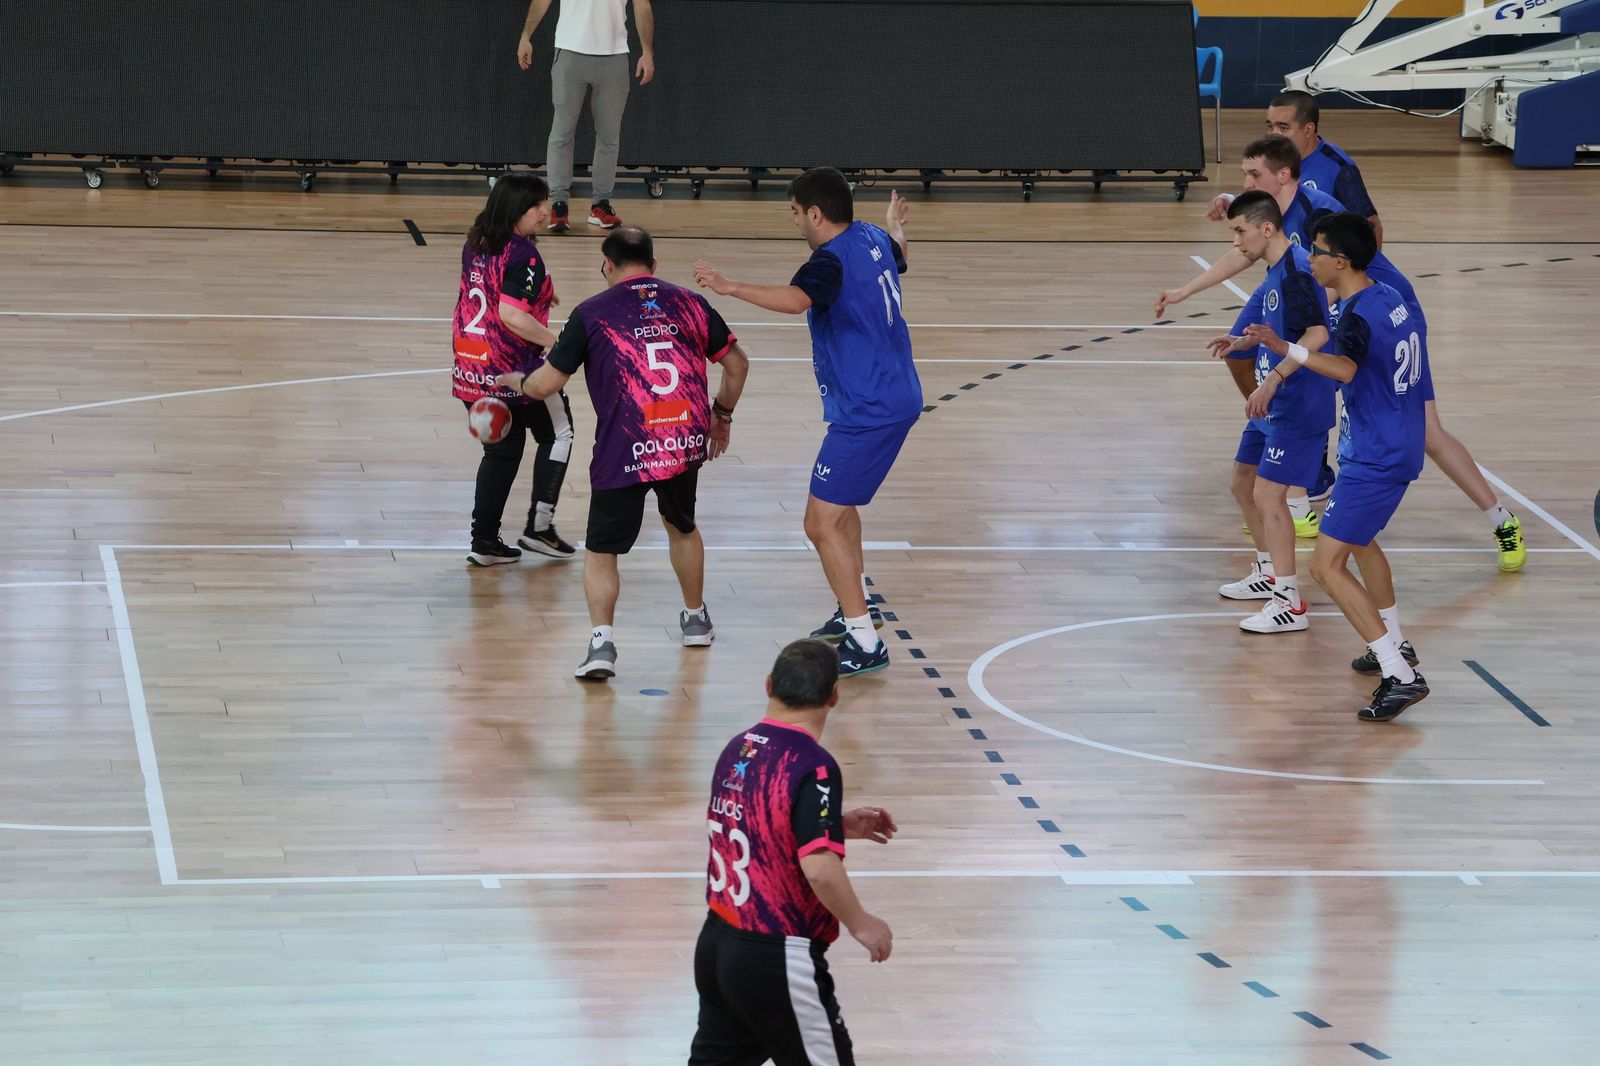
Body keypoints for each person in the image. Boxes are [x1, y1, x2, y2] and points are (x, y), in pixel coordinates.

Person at [1161, 135, 1526, 572]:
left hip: (1372, 312)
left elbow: (1347, 274)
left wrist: (1316, 332)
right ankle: (1290, 484)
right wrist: (1185, 291)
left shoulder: (1322, 214)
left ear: (1282, 175)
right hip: (1308, 297)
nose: (1245, 182)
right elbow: (1244, 249)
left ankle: (1500, 518)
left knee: (1424, 430)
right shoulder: (1270, 221)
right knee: (1244, 354)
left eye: (1253, 174)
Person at [692, 170, 923, 678]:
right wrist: (893, 224)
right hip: (893, 394)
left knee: (819, 523)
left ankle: (864, 642)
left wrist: (728, 286)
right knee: (842, 513)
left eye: (795, 212)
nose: (795, 220)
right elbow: (900, 253)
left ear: (814, 213)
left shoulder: (829, 261)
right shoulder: (873, 237)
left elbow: (796, 301)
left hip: (868, 411)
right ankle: (854, 607)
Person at [495, 227, 749, 679]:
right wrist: (722, 416)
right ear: (652, 263)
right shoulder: (691, 302)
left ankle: (602, 645)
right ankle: (694, 619)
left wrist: (518, 382)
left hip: (625, 447)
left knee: (602, 550)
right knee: (682, 526)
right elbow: (737, 364)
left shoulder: (591, 313)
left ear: (607, 265)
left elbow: (546, 385)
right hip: (681, 442)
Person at [1244, 213, 1430, 722]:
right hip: (1394, 441)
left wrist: (1288, 350)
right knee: (1362, 542)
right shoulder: (1389, 295)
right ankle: (1394, 643)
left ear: (1340, 262)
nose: (1308, 257)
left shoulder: (1356, 318)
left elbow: (1345, 367)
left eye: (1318, 250)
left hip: (1376, 454)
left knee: (1326, 565)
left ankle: (1401, 674)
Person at [689, 638, 897, 1066]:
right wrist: (862, 924)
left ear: (768, 685)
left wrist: (832, 825)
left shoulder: (737, 748)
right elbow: (819, 867)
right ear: (834, 696)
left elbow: (753, 822)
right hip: (774, 953)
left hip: (717, 943)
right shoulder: (813, 764)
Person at [1207, 191, 1333, 633]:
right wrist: (1242, 342)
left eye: (1240, 231)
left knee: (1268, 494)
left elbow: (1318, 333)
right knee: (1243, 483)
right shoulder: (1276, 270)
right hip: (1271, 400)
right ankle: (1267, 573)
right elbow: (1277, 330)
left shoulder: (1298, 272)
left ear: (1266, 228)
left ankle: (1290, 601)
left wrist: (1275, 378)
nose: (1237, 241)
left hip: (1296, 401)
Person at [451, 173, 577, 567]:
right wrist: (553, 342)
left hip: (472, 366)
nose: (545, 211)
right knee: (559, 432)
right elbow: (511, 314)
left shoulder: (477, 239)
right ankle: (540, 527)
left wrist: (542, 289)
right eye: (535, 206)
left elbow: (494, 289)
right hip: (514, 369)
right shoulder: (523, 253)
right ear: (515, 210)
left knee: (502, 451)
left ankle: (484, 541)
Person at [517, 0, 655, 234]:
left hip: (614, 55)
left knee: (609, 135)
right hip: (570, 50)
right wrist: (526, 35)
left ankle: (600, 204)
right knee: (562, 131)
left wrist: (647, 52)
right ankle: (559, 203)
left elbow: (643, 6)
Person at [1207, 90, 1383, 247]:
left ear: (1308, 130)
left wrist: (1364, 277)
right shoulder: (1276, 161)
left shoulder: (1339, 168)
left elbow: (1371, 224)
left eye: (1283, 127)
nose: (1274, 134)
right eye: (1270, 126)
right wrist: (1231, 200)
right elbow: (1271, 201)